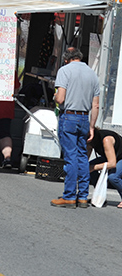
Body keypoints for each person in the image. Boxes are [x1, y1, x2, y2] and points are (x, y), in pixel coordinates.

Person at [51, 48, 100, 208]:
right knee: (82, 157)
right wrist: (92, 126)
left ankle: (69, 196)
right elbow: (96, 105)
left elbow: (60, 98)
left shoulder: (64, 71)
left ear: (66, 59)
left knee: (70, 156)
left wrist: (55, 96)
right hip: (84, 118)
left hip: (69, 117)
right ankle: (83, 196)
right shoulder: (92, 74)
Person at [89, 127, 122, 207]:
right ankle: (100, 195)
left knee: (113, 177)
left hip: (120, 157)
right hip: (111, 157)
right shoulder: (89, 142)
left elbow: (112, 164)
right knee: (88, 169)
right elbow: (85, 160)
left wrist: (92, 167)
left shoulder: (106, 140)